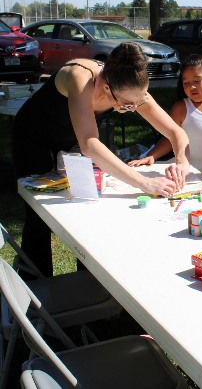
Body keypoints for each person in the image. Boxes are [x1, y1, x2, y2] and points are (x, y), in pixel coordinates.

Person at [12, 42, 190, 277]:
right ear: (106, 87)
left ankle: (88, 282)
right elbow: (90, 145)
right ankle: (34, 288)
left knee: (87, 205)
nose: (134, 108)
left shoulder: (130, 89)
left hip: (71, 137)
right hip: (34, 136)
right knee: (39, 217)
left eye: (139, 102)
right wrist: (143, 183)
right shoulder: (79, 76)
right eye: (127, 104)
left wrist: (181, 161)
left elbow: (175, 132)